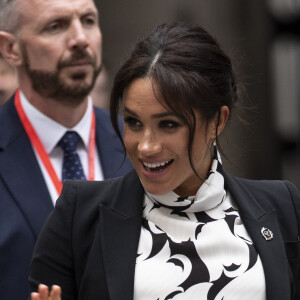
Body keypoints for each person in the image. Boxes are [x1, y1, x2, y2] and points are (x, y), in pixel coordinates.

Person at [29, 23, 300, 300]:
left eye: (168, 124)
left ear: (218, 121)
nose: (146, 146)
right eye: (133, 122)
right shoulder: (79, 214)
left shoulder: (282, 205)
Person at [0, 0, 132, 299]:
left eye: (87, 20)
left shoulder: (144, 146)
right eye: (55, 26)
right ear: (11, 49)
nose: (80, 39)